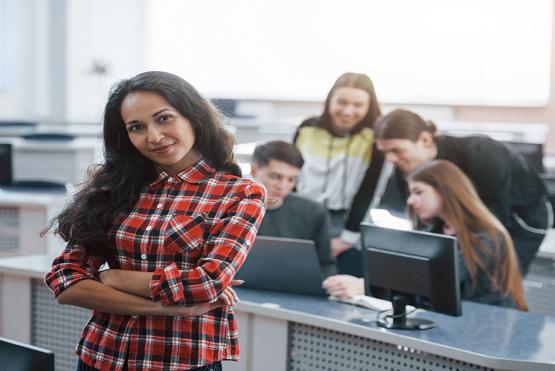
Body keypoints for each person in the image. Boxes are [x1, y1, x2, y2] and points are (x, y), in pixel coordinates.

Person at [43, 71, 266, 371]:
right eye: (137, 127)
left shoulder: (239, 193)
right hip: (102, 356)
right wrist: (168, 309)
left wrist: (115, 277)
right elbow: (66, 280)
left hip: (181, 361)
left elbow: (207, 283)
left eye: (164, 118)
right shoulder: (113, 188)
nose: (154, 137)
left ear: (193, 116)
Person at [325, 160, 528, 311]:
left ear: (446, 191)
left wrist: (364, 286)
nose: (411, 201)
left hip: (482, 330)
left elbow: (436, 280)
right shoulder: (436, 232)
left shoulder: (487, 235)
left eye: (418, 192)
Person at [374, 109, 550, 275]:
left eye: (397, 150)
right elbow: (422, 224)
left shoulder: (481, 154)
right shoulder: (405, 167)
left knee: (496, 281)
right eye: (385, 152)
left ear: (425, 140)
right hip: (460, 222)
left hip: (518, 219)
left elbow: (493, 225)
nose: (390, 159)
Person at [293, 72, 384, 277]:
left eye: (358, 105)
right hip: (302, 216)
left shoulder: (374, 138)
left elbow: (369, 190)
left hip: (345, 222)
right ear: (330, 100)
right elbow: (291, 177)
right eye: (341, 102)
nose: (348, 111)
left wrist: (347, 237)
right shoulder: (307, 128)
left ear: (369, 106)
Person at [250, 140, 336, 278]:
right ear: (254, 171)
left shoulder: (314, 213)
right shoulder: (231, 207)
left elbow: (326, 265)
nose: (282, 186)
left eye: (291, 179)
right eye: (275, 177)